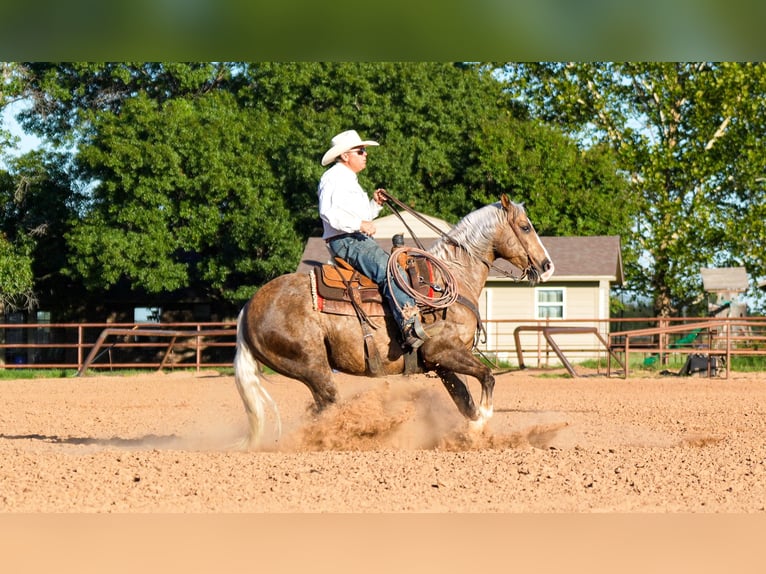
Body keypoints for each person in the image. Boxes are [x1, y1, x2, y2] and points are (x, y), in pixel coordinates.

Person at [318, 129, 427, 350]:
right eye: (360, 151)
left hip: (354, 237)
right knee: (390, 270)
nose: (365, 154)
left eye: (364, 150)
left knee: (394, 268)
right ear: (345, 156)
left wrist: (375, 204)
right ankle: (408, 324)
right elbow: (329, 212)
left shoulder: (349, 179)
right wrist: (359, 225)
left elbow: (360, 217)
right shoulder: (333, 178)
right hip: (347, 240)